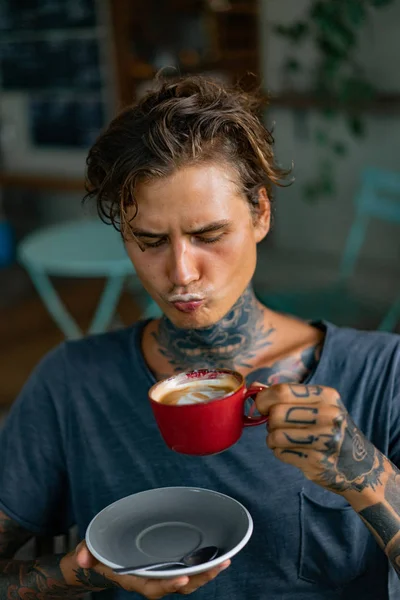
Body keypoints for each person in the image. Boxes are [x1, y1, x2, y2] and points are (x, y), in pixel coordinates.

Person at [1, 74, 400, 600]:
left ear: (260, 212)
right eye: (149, 241)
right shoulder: (71, 384)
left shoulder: (380, 373)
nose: (182, 272)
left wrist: (360, 473)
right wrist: (84, 573)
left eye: (208, 235)